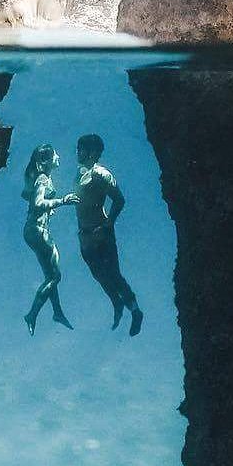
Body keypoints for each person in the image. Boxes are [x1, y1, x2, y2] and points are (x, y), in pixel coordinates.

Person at [73, 133, 143, 336]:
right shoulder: (79, 173)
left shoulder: (101, 174)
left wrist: (107, 224)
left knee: (112, 273)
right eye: (78, 148)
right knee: (98, 275)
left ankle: (135, 310)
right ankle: (117, 304)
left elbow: (119, 200)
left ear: (92, 152)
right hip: (85, 236)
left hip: (100, 233)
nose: (77, 152)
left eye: (81, 149)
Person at [21, 144, 79, 335]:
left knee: (50, 275)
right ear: (46, 160)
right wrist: (62, 201)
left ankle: (57, 312)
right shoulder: (43, 178)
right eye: (55, 154)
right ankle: (32, 314)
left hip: (34, 230)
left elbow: (28, 198)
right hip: (38, 231)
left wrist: (48, 207)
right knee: (56, 276)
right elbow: (37, 204)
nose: (58, 156)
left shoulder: (42, 178)